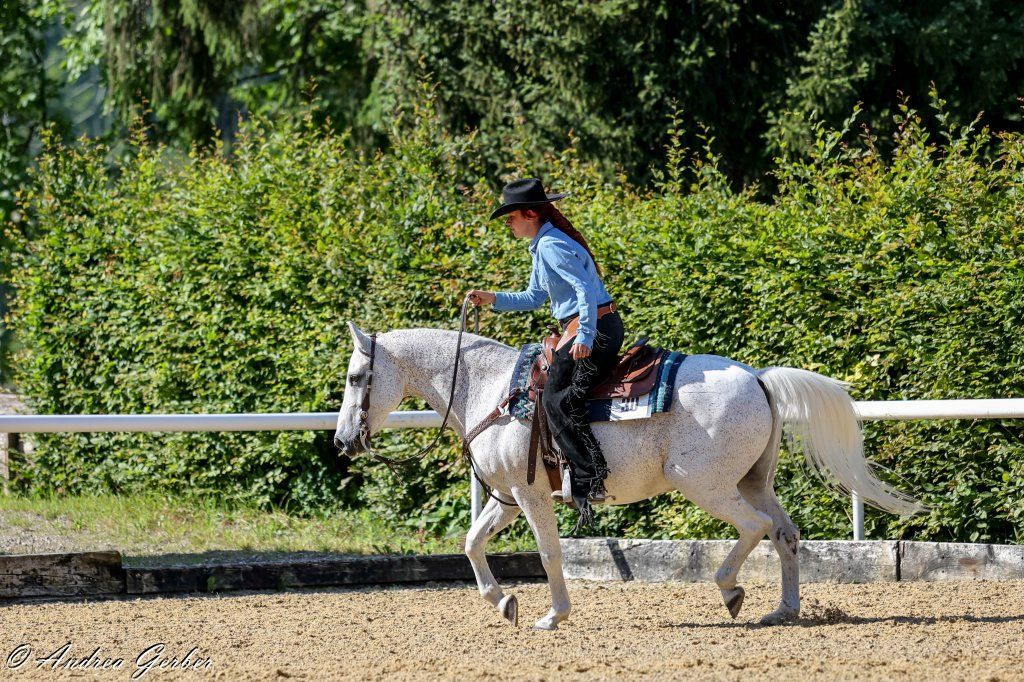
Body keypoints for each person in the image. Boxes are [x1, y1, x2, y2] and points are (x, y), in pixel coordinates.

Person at [467, 177, 624, 529]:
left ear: (528, 213)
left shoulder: (551, 245)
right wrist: (493, 298)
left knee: (557, 399)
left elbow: (584, 288)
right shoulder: (544, 245)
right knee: (557, 395)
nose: (507, 223)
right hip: (590, 324)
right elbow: (535, 297)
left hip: (593, 327)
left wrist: (585, 332)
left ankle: (589, 476)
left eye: (510, 216)